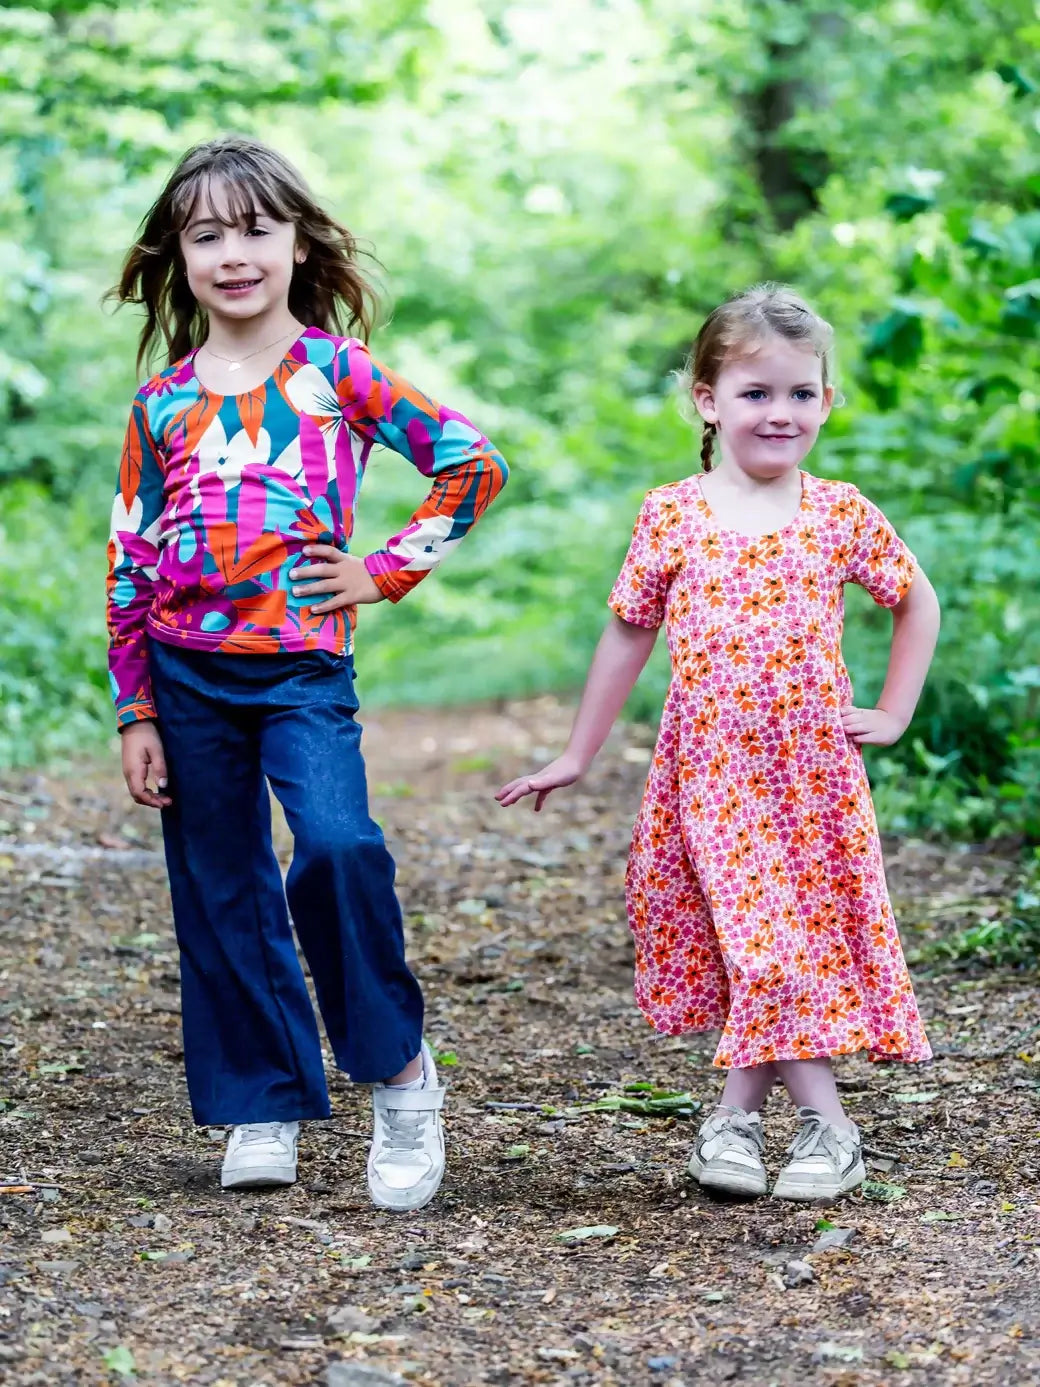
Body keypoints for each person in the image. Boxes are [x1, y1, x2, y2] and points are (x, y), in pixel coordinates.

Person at [106, 135, 508, 1210]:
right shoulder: (160, 404)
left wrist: (381, 571)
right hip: (185, 678)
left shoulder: (336, 373)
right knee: (219, 886)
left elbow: (472, 464)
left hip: (299, 672)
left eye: (254, 228)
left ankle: (400, 1077)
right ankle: (260, 1101)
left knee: (335, 847)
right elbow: (130, 552)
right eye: (206, 234)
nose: (232, 253)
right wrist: (133, 705)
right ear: (176, 256)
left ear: (294, 242)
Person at [497, 284, 939, 1201]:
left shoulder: (839, 512)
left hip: (812, 776)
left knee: (784, 946)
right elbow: (628, 629)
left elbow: (915, 601)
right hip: (714, 776)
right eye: (755, 393)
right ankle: (826, 1124)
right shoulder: (674, 512)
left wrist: (893, 712)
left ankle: (738, 1121)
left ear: (827, 399)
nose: (781, 413)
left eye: (801, 394)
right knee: (763, 948)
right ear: (707, 398)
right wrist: (579, 752)